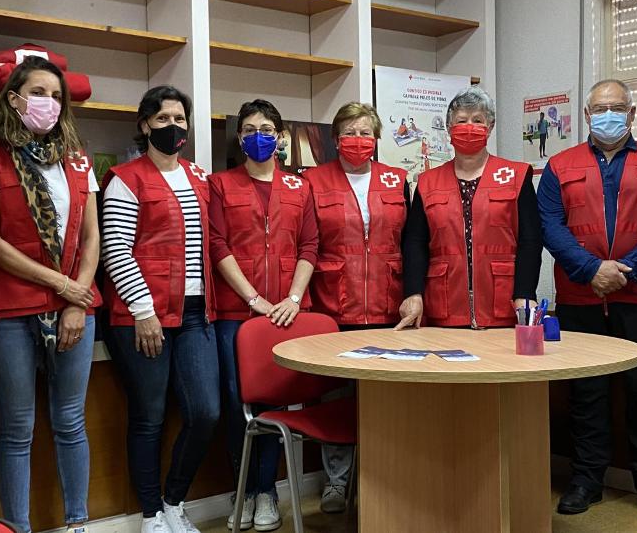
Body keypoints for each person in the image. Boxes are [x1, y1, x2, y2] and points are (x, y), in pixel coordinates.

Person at [537, 79, 637, 524]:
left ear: (632, 114)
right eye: (599, 108)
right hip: (581, 298)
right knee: (586, 395)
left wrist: (626, 271)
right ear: (586, 115)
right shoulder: (559, 165)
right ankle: (586, 480)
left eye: (617, 107)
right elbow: (551, 225)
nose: (608, 115)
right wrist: (590, 270)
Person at [0, 57, 99, 533]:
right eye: (38, 92)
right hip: (9, 310)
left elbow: (91, 238)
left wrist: (75, 299)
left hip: (74, 309)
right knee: (17, 429)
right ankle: (17, 528)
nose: (49, 102)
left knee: (70, 422)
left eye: (57, 95)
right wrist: (60, 285)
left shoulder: (77, 159)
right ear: (15, 98)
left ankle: (78, 523)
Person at [100, 86, 218, 533]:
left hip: (193, 315)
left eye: (180, 119)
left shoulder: (199, 176)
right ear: (145, 124)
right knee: (148, 416)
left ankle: (174, 501)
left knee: (205, 411)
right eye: (164, 118)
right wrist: (143, 310)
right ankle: (151, 515)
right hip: (143, 316)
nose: (174, 127)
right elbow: (116, 249)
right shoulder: (126, 178)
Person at [210, 99, 319, 532]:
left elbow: (310, 246)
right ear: (240, 137)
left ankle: (268, 492)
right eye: (251, 128)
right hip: (238, 312)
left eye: (268, 128)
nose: (260, 135)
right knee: (239, 405)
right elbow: (218, 245)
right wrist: (254, 298)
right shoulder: (221, 184)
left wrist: (293, 298)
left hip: (287, 314)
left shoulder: (300, 187)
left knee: (275, 405)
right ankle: (249, 490)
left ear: (280, 136)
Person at [303, 102, 409, 514]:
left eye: (366, 132)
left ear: (378, 138)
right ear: (335, 138)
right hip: (334, 306)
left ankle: (386, 476)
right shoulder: (312, 181)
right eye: (349, 132)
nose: (358, 140)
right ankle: (336, 481)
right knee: (336, 398)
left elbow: (412, 242)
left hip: (389, 306)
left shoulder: (397, 180)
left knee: (387, 398)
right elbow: (306, 243)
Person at [397, 86, 542, 330]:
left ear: (490, 126)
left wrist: (525, 293)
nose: (469, 126)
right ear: (449, 128)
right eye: (461, 120)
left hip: (504, 304)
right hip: (444, 305)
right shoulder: (427, 182)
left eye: (478, 120)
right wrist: (413, 292)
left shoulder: (516, 176)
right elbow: (415, 242)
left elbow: (531, 240)